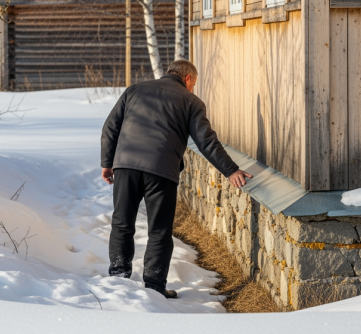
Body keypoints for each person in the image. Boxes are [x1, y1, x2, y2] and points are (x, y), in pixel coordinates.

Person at [100, 60, 251, 299]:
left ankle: (118, 279)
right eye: (194, 84)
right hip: (161, 170)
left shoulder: (135, 90)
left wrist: (107, 163)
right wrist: (231, 170)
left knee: (121, 223)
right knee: (159, 231)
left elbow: (110, 128)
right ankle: (154, 287)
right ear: (188, 78)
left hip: (126, 165)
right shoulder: (191, 101)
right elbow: (206, 142)